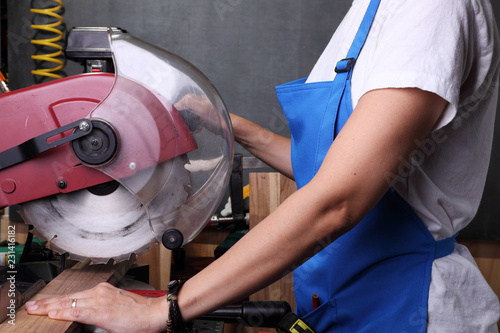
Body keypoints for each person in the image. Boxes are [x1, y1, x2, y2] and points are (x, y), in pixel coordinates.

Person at [25, 0, 500, 331]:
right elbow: (333, 168)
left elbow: (339, 197)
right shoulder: (369, 11)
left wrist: (164, 309)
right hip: (341, 294)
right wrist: (233, 129)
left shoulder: (431, 8)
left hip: (409, 305)